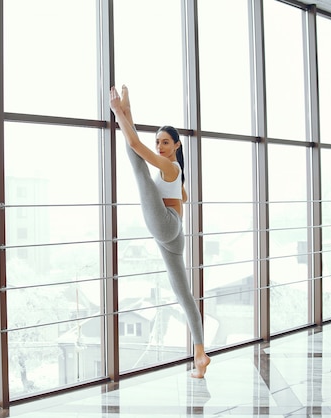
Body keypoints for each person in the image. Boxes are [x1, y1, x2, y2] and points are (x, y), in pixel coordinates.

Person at [109, 85, 211, 378]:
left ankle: (124, 110)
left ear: (177, 145)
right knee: (184, 294)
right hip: (174, 234)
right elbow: (184, 198)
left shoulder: (169, 166)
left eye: (165, 142)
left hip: (168, 225)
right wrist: (125, 109)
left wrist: (121, 111)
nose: (160, 146)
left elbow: (136, 146)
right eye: (158, 142)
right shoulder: (174, 171)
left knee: (137, 165)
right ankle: (200, 355)